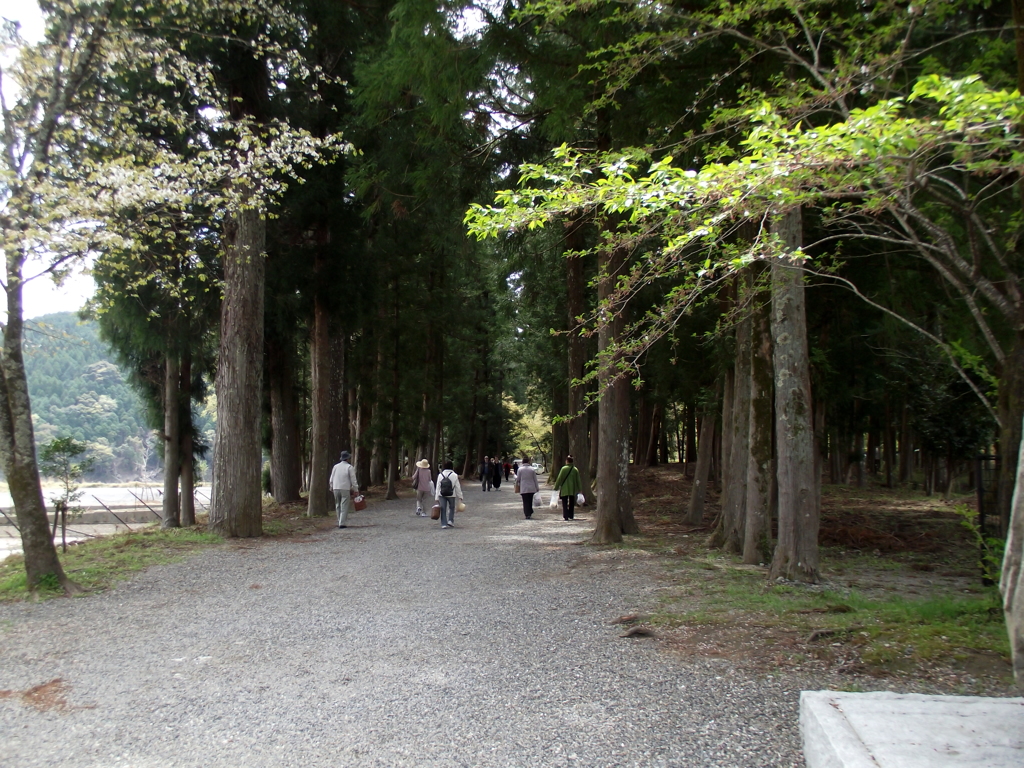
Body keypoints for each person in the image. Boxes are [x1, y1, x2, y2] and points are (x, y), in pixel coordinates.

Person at [329, 450, 359, 529]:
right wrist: (356, 489)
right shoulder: (349, 467)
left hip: (336, 487)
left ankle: (339, 520)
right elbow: (353, 480)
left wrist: (331, 486)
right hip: (345, 488)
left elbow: (331, 478)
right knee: (344, 505)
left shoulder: (335, 466)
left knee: (337, 504)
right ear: (348, 458)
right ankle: (342, 522)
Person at [434, 460, 463, 529]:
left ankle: (443, 524)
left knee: (443, 508)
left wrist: (436, 497)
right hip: (451, 494)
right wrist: (460, 496)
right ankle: (450, 520)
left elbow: (438, 486)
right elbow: (457, 486)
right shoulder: (454, 475)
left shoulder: (440, 475)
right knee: (451, 507)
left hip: (442, 494)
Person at [553, 454, 583, 520]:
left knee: (564, 503)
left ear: (567, 461)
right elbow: (578, 480)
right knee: (572, 503)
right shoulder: (575, 469)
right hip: (572, 489)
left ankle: (565, 515)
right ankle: (571, 515)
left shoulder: (563, 469)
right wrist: (580, 489)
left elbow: (559, 478)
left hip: (564, 489)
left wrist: (556, 487)